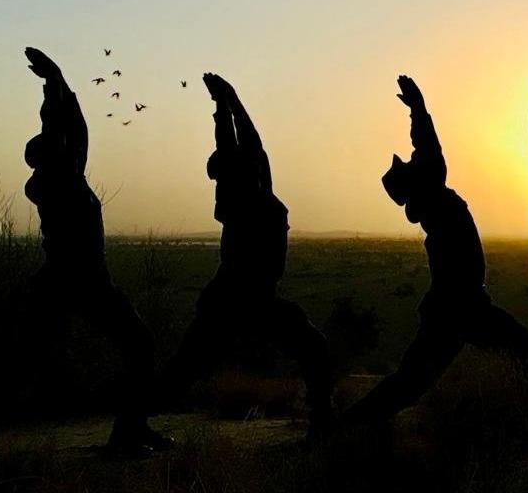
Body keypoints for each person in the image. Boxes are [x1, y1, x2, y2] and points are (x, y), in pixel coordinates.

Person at [344, 76, 528, 423]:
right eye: (410, 166)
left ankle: (352, 425)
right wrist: (418, 109)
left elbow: (428, 152)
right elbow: (430, 149)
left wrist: (418, 110)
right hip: (460, 307)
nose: (415, 162)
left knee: (411, 381)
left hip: (459, 306)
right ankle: (349, 426)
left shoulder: (431, 201)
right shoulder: (433, 195)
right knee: (519, 349)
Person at [158, 73, 334, 443]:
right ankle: (133, 421)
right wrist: (226, 106)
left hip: (250, 297)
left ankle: (323, 421)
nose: (256, 163)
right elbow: (241, 144)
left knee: (312, 349)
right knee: (185, 366)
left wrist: (230, 103)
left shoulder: (255, 192)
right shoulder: (242, 200)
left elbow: (251, 144)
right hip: (238, 297)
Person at [18, 47, 169, 455]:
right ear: (51, 154)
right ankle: (129, 433)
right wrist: (55, 85)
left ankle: (131, 430)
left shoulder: (60, 177)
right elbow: (69, 129)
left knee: (136, 345)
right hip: (77, 281)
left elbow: (73, 130)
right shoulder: (59, 181)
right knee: (135, 345)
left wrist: (58, 82)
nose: (69, 145)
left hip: (80, 281)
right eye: (59, 144)